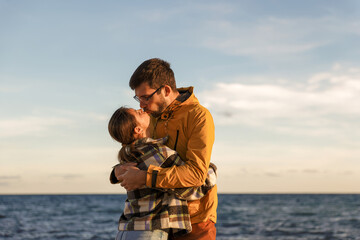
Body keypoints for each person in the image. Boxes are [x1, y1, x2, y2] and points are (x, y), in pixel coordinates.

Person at [113, 58, 218, 240]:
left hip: (195, 220)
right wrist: (117, 172)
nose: (141, 105)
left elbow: (196, 174)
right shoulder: (150, 118)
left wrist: (145, 178)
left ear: (166, 90)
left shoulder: (199, 117)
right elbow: (138, 152)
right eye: (138, 98)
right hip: (160, 221)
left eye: (146, 97)